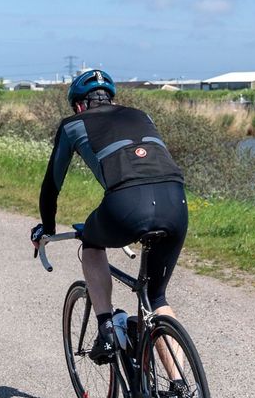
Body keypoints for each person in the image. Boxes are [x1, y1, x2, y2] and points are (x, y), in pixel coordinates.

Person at [30, 69, 188, 365]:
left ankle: (106, 327)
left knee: (90, 241)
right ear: (111, 99)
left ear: (79, 105)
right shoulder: (141, 114)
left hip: (126, 204)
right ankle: (180, 391)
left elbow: (51, 185)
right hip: (175, 201)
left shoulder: (73, 124)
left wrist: (47, 228)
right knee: (156, 298)